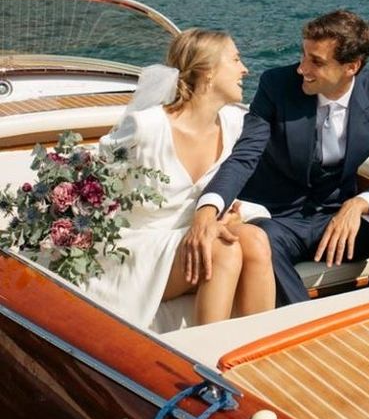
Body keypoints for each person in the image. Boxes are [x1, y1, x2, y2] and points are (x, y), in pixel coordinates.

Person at [184, 9, 369, 306]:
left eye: (316, 61)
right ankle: (308, 329)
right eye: (303, 55)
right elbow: (245, 155)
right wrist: (208, 209)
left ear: (352, 66)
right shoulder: (276, 85)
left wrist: (360, 204)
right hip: (281, 221)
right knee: (258, 240)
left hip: (339, 219)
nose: (302, 68)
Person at [83, 29, 275, 328]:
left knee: (255, 240)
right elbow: (91, 188)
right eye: (236, 60)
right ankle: (207, 364)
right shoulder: (146, 128)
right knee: (223, 249)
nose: (245, 69)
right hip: (139, 245)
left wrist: (222, 217)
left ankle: (259, 355)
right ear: (208, 72)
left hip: (189, 235)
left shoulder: (234, 123)